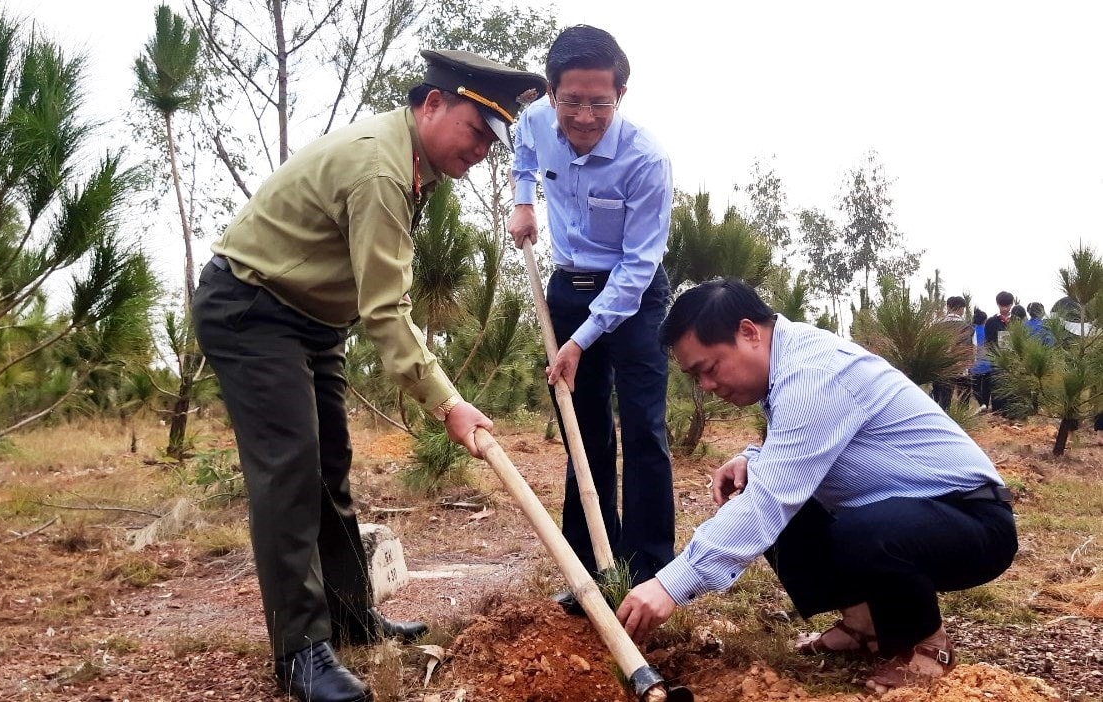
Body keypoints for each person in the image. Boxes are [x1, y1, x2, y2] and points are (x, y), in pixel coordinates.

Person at [192, 50, 546, 702]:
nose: (481, 152)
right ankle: (300, 653)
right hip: (251, 306)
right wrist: (449, 403)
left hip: (310, 320)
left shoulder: (413, 162)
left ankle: (350, 621)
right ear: (431, 104)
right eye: (475, 131)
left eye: (493, 143)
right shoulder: (382, 167)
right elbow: (388, 311)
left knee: (330, 468)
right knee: (290, 469)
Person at [616, 279, 1017, 693]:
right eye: (695, 376)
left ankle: (928, 645)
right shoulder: (791, 362)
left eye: (709, 368)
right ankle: (864, 626)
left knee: (856, 527)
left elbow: (767, 503)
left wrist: (670, 583)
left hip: (975, 523)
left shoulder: (814, 373)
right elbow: (811, 450)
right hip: (916, 514)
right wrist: (753, 459)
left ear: (749, 332)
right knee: (764, 486)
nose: (707, 386)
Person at [507, 25, 675, 606]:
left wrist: (578, 340)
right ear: (551, 94)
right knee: (585, 431)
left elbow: (637, 266)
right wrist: (523, 200)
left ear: (620, 95)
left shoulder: (645, 161)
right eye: (571, 101)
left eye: (599, 102)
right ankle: (591, 572)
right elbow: (521, 149)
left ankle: (650, 573)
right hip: (567, 287)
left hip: (635, 298)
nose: (583, 117)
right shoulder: (534, 122)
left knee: (644, 428)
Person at [930, 296, 973, 410]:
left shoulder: (936, 326)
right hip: (962, 368)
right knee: (963, 399)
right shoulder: (968, 328)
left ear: (948, 307)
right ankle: (962, 423)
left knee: (943, 401)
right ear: (962, 309)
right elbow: (973, 349)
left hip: (942, 368)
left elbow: (931, 349)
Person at [980, 291, 1015, 412]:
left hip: (1013, 362)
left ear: (1012, 304)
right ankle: (998, 412)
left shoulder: (1017, 321)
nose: (1004, 308)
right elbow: (988, 342)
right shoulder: (991, 322)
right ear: (997, 304)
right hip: (997, 362)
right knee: (997, 388)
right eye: (1002, 305)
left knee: (1013, 388)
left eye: (1007, 305)